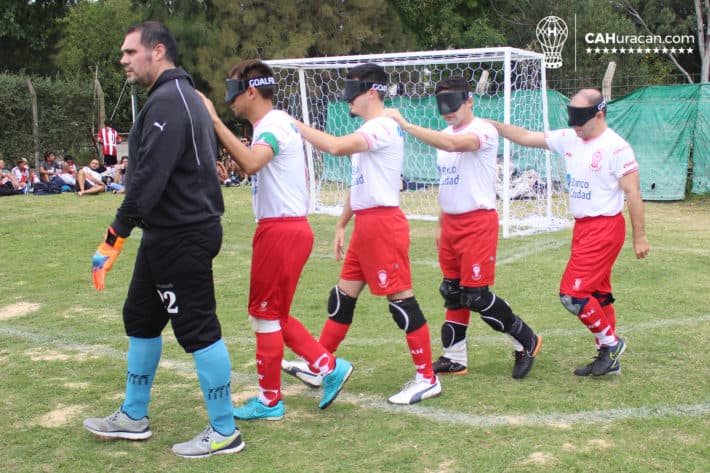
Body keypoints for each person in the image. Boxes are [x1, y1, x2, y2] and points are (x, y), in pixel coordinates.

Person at [82, 21, 244, 459]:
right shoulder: (178, 97)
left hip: (182, 235)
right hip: (166, 234)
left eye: (130, 52)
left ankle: (225, 430)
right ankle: (134, 416)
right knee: (139, 317)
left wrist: (113, 238)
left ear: (157, 51)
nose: (123, 61)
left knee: (198, 330)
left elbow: (147, 183)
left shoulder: (170, 102)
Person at [198, 59, 353, 420]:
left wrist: (215, 122)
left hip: (280, 230)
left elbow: (255, 162)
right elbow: (257, 164)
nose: (229, 99)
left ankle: (272, 399)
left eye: (233, 91)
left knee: (264, 316)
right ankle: (327, 366)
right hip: (286, 228)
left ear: (251, 91)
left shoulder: (271, 126)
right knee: (275, 315)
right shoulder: (276, 124)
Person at [282, 62, 442, 405]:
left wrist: (293, 124)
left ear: (372, 92)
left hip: (383, 226)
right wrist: (342, 223)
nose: (347, 100)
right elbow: (358, 186)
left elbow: (335, 147)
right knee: (342, 298)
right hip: (365, 226)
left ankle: (426, 378)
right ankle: (322, 364)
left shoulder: (382, 127)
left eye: (352, 92)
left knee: (401, 303)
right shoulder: (370, 129)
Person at [382, 77, 542, 379]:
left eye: (452, 102)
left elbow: (456, 144)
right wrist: (442, 224)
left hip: (478, 222)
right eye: (441, 103)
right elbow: (448, 183)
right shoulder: (442, 136)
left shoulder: (482, 131)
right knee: (452, 292)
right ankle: (454, 357)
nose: (447, 111)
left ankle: (526, 339)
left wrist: (406, 124)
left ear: (469, 100)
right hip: (452, 224)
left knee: (477, 296)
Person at [488, 88, 649, 376]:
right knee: (597, 294)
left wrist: (640, 236)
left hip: (605, 228)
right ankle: (607, 359)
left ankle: (611, 344)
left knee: (572, 295)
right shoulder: (569, 138)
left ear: (599, 115)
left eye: (580, 118)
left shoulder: (617, 147)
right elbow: (526, 136)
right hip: (583, 228)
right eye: (571, 117)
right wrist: (493, 126)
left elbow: (633, 193)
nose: (574, 125)